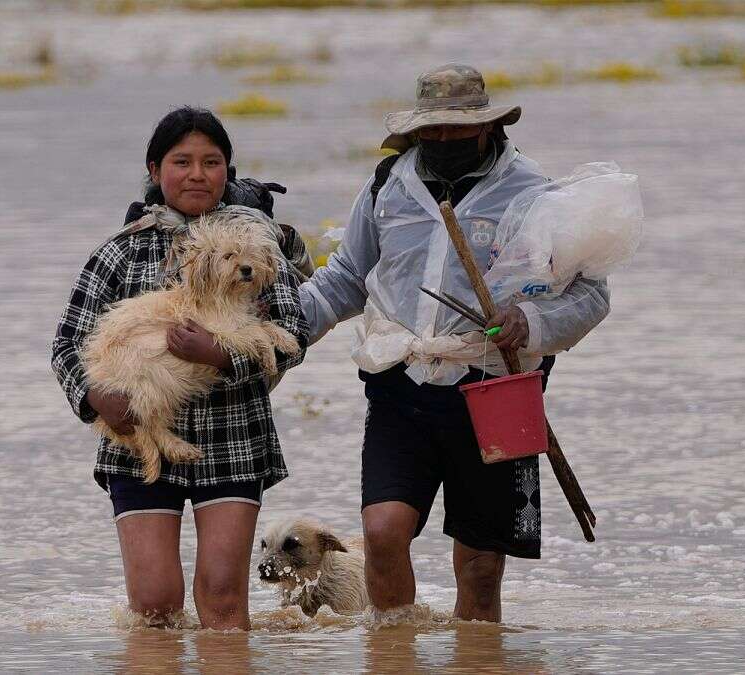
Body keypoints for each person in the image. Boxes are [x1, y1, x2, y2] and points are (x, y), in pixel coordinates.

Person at [299, 64, 610, 622]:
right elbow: (346, 277)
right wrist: (283, 332)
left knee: (481, 566)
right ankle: (395, 651)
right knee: (383, 529)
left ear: (487, 127)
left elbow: (590, 295)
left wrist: (529, 321)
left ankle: (476, 658)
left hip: (497, 387)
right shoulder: (387, 185)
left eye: (457, 129)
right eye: (433, 130)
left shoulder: (534, 193)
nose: (443, 140)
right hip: (402, 381)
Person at [51, 106, 308, 630]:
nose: (197, 174)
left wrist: (218, 353)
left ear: (228, 173)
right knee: (153, 604)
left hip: (234, 438)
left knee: (222, 600)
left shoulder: (257, 247)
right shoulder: (120, 253)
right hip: (137, 437)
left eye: (211, 162)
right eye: (181, 161)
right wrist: (93, 397)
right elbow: (67, 344)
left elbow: (292, 338)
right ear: (154, 171)